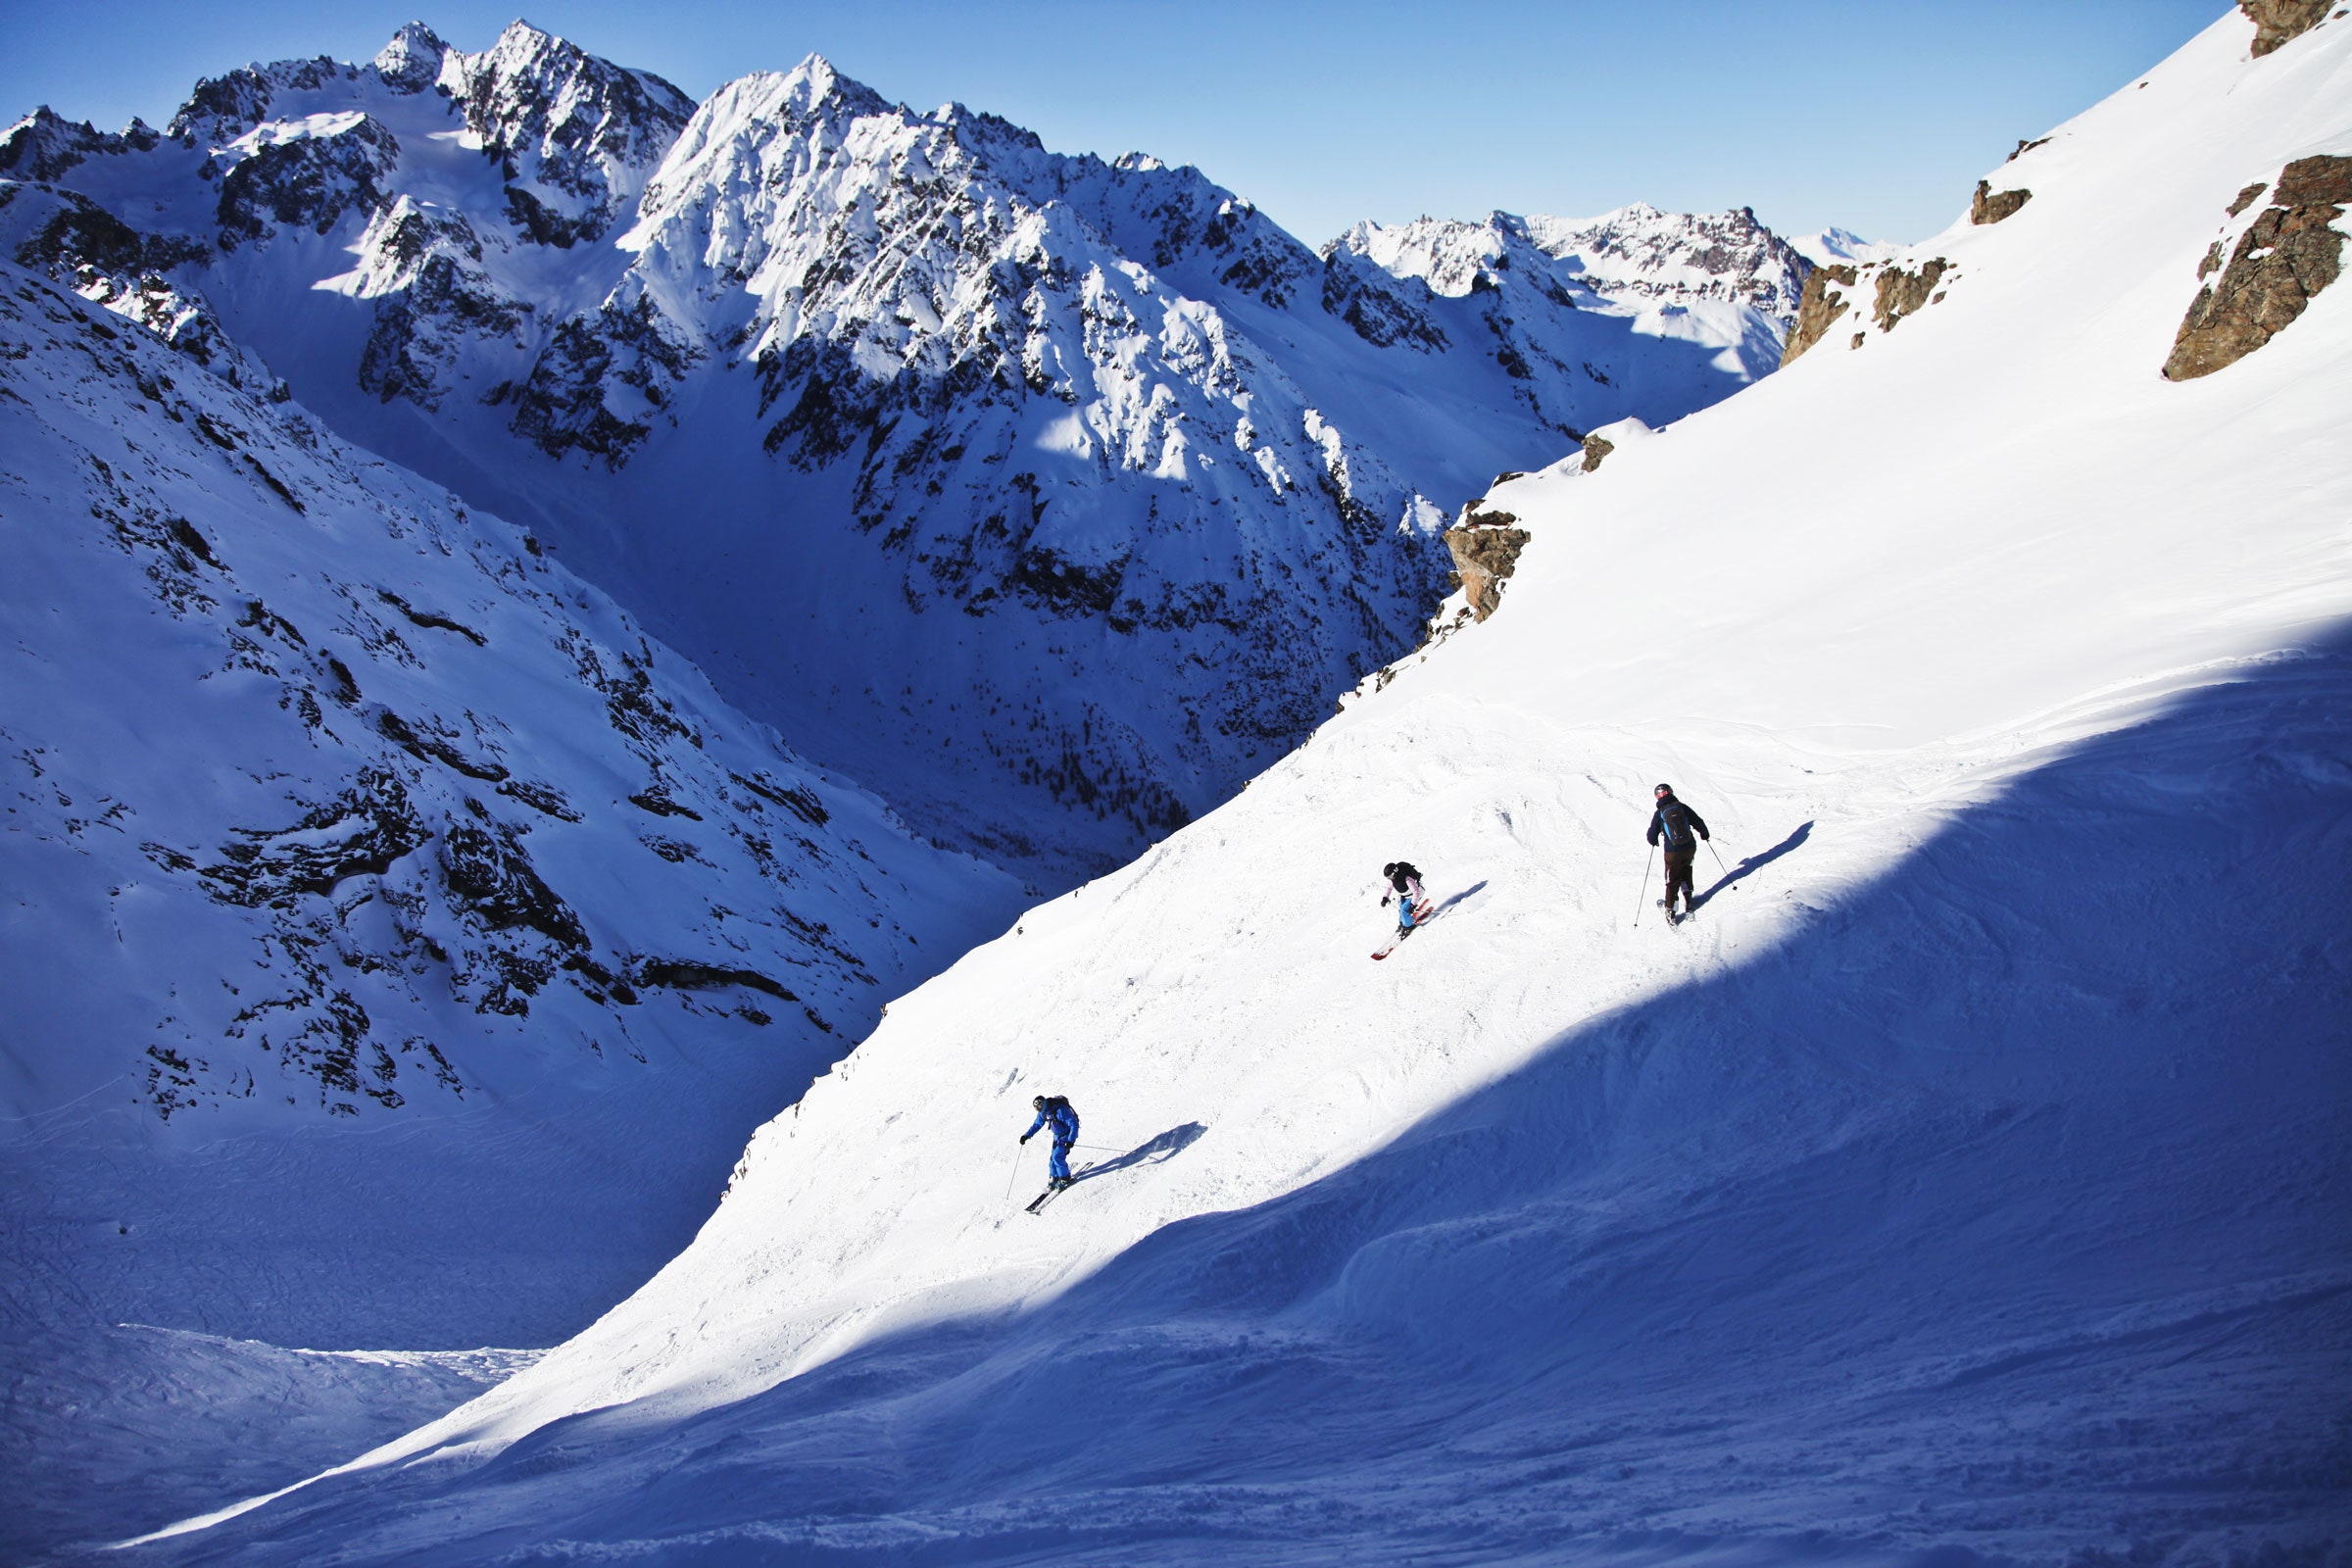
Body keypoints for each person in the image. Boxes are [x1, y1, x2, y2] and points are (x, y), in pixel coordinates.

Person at [1645, 784, 1710, 921]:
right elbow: (1698, 821)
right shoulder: (1682, 807)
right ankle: (1689, 902)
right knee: (1686, 871)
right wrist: (1704, 835)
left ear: (1657, 797)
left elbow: (1651, 835)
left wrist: (1654, 841)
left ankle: (1671, 911)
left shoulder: (1660, 812)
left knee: (1672, 880)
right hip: (1689, 848)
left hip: (1672, 852)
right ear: (1671, 792)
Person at [1021, 1094, 1081, 1189]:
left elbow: (1073, 1124)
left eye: (1040, 1107)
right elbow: (1037, 1125)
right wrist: (1026, 1135)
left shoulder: (1060, 1110)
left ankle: (1065, 1178)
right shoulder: (1043, 1113)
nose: (1039, 1110)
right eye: (1037, 1109)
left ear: (1044, 1103)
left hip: (1066, 1135)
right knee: (1053, 1158)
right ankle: (1054, 1176)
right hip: (1057, 1136)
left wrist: (1070, 1140)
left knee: (1058, 1156)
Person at [1381, 860, 1430, 931]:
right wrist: (1385, 898)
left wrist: (1413, 905)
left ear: (1395, 872)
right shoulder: (1393, 880)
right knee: (1401, 909)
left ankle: (1409, 926)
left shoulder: (1406, 878)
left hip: (1413, 895)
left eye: (1390, 876)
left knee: (1404, 910)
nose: (1390, 879)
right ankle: (1403, 922)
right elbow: (1389, 888)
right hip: (1404, 895)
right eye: (1388, 878)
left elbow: (1416, 892)